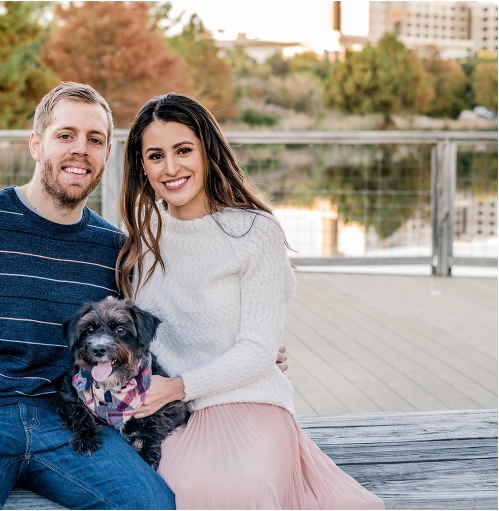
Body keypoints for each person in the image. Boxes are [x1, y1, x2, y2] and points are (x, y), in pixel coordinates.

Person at [0, 81, 177, 510]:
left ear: (106, 156)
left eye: (95, 140)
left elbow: (146, 335)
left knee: (152, 504)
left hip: (71, 419)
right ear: (36, 144)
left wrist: (241, 351)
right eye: (65, 135)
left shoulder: (114, 251)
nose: (81, 149)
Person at [116, 92, 385, 510]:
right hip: (171, 417)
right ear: (141, 166)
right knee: (170, 491)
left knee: (237, 491)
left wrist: (180, 386)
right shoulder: (143, 238)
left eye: (183, 150)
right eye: (155, 156)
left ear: (208, 152)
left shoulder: (255, 232)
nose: (171, 168)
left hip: (248, 401)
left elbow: (258, 350)